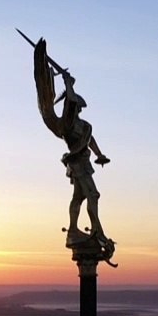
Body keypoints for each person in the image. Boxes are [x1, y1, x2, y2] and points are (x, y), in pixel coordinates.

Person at [57, 72, 110, 244]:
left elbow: (90, 140)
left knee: (79, 197)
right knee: (93, 194)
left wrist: (99, 154)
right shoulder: (68, 125)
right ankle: (95, 230)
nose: (78, 109)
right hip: (77, 163)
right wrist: (68, 84)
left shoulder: (85, 126)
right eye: (76, 107)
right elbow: (70, 102)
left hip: (84, 163)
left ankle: (73, 230)